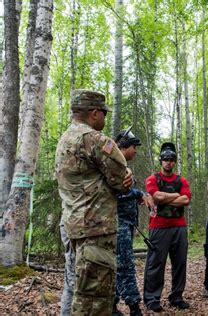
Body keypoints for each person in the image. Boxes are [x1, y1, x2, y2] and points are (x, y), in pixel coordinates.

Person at [55, 89, 132, 315]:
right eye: (104, 114)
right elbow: (121, 180)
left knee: (78, 289)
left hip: (73, 226)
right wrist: (127, 175)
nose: (105, 119)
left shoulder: (65, 139)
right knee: (94, 300)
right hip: (95, 230)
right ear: (94, 113)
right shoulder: (94, 140)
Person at [143, 142, 191, 312]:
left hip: (179, 227)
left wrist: (165, 198)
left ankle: (176, 296)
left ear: (175, 161)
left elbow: (186, 200)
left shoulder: (181, 180)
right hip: (159, 227)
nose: (168, 162)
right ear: (161, 160)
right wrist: (176, 195)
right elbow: (155, 197)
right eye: (165, 159)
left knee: (180, 263)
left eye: (171, 159)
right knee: (156, 263)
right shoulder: (152, 179)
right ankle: (152, 298)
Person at [112, 130, 155, 316]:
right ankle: (133, 307)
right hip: (117, 224)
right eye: (133, 147)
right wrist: (139, 194)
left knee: (119, 266)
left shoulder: (122, 166)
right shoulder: (113, 166)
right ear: (123, 147)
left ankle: (112, 305)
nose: (135, 151)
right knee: (125, 266)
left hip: (126, 224)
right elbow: (116, 193)